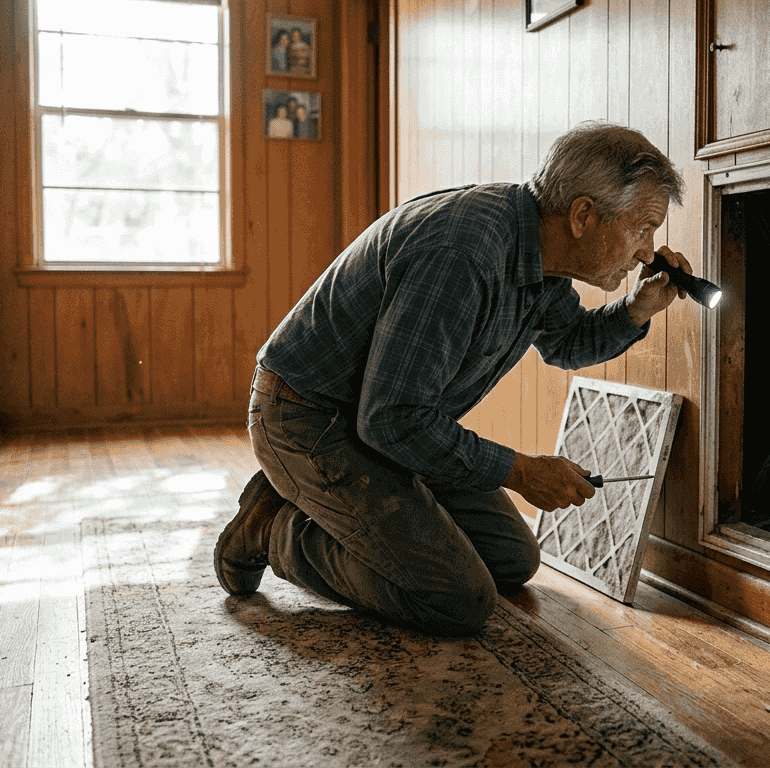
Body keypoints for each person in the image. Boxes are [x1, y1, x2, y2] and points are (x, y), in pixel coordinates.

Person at [214, 122, 692, 637]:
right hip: (309, 418)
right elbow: (391, 419)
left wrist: (638, 310)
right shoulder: (463, 255)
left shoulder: (539, 250)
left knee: (511, 561)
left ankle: (341, 503)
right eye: (643, 228)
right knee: (455, 598)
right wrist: (520, 471)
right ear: (583, 215)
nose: (648, 252)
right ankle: (274, 527)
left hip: (383, 422)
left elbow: (568, 342)